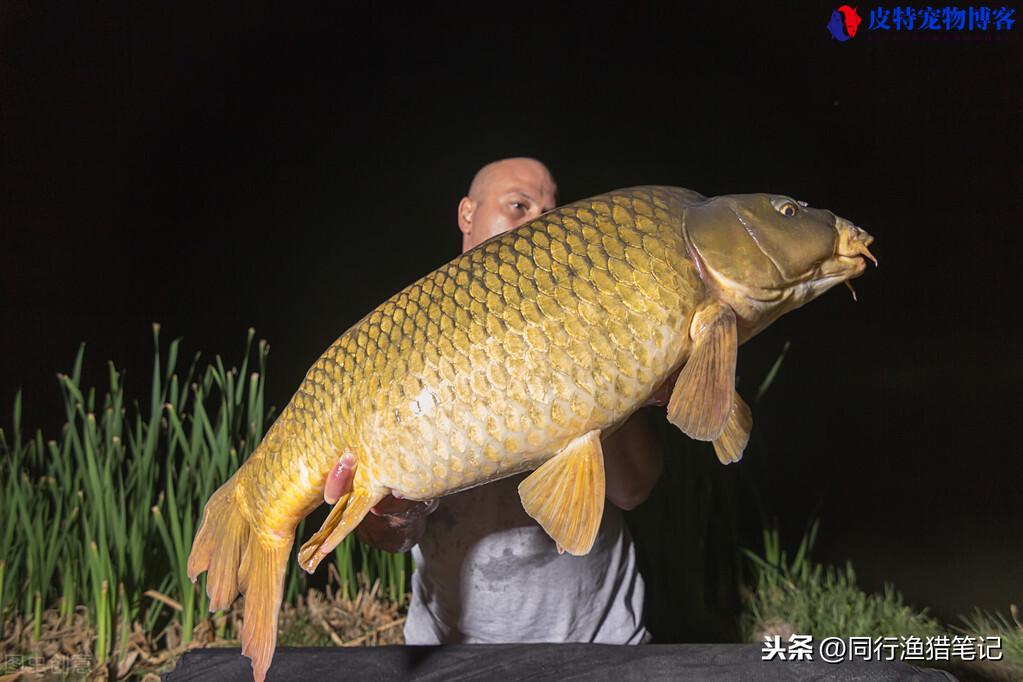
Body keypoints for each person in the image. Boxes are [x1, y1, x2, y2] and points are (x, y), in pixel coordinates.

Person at [323, 157, 665, 644]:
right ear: (467, 214)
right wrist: (388, 512)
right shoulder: (403, 338)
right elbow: (391, 539)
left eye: (550, 210)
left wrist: (599, 365)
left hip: (600, 635)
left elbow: (635, 489)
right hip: (456, 645)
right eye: (518, 206)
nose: (540, 223)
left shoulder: (589, 312)